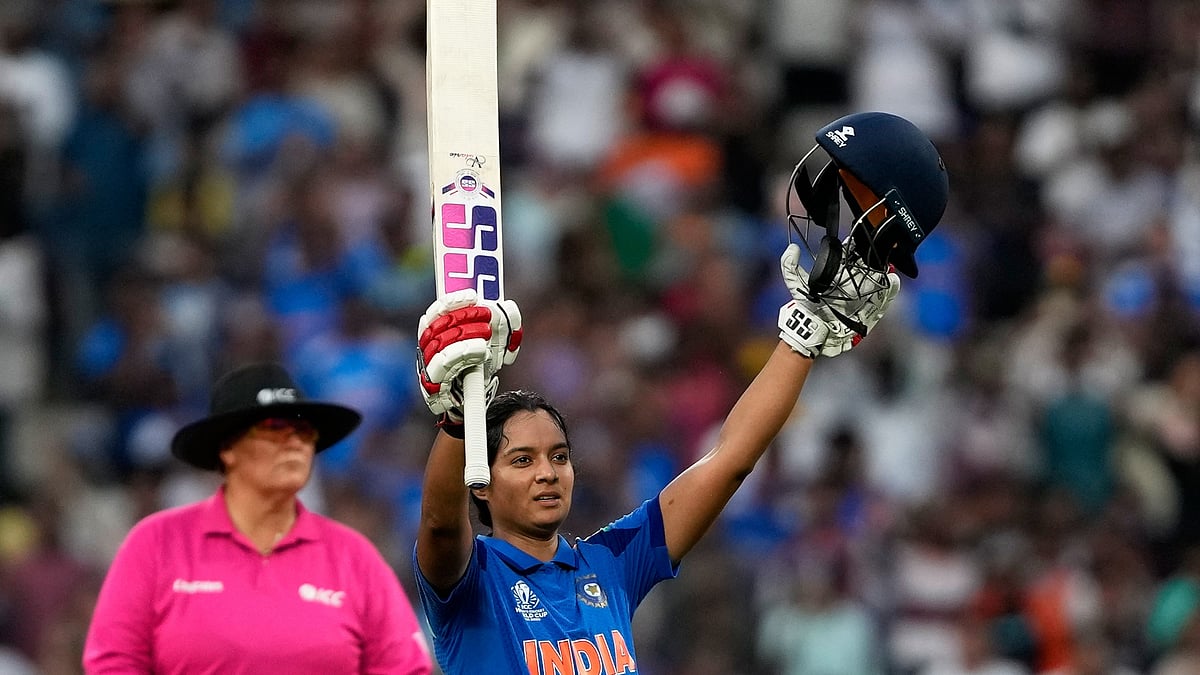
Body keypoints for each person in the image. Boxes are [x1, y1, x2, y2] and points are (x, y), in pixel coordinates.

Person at [411, 111, 949, 674]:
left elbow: (729, 461)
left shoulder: (609, 565)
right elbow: (440, 523)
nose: (548, 472)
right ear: (482, 483)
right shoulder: (468, 582)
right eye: (522, 460)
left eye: (559, 456)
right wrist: (455, 422)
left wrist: (804, 339)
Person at [82, 362, 432, 674]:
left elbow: (403, 667)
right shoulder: (157, 543)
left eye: (304, 431)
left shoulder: (353, 556)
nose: (295, 443)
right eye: (276, 428)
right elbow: (113, 663)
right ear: (227, 448)